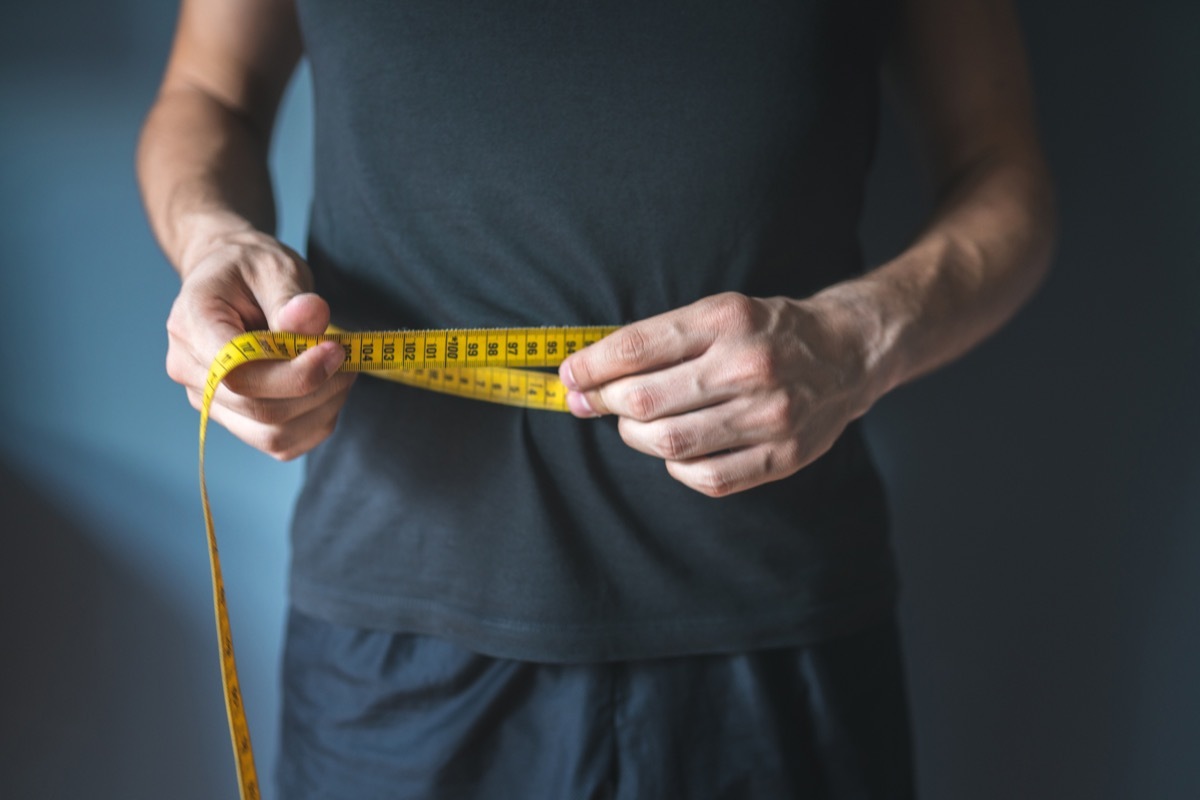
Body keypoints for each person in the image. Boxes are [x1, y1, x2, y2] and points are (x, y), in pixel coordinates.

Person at [137, 0, 1054, 797]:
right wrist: (210, 238)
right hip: (394, 645)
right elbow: (207, 94)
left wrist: (857, 340)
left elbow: (1002, 169)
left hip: (779, 638)